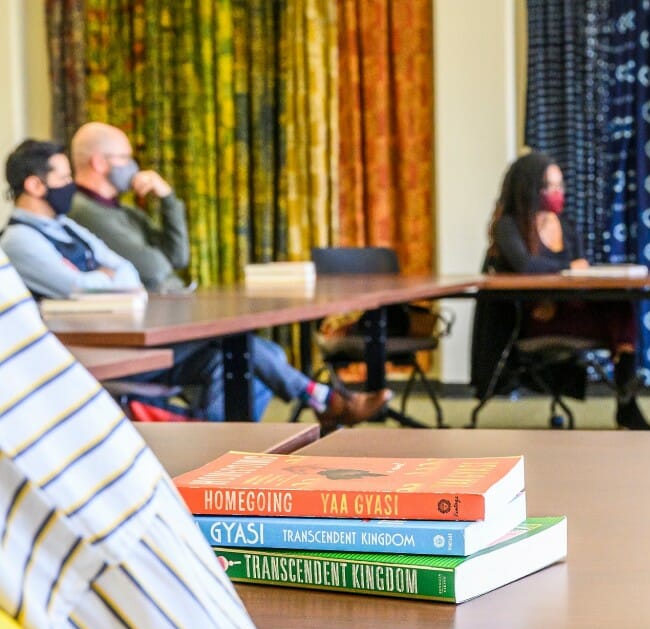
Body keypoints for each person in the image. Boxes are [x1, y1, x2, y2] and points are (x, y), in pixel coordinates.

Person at [0, 244, 283, 629]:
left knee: (252, 355)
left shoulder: (73, 226)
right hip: (107, 352)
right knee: (242, 359)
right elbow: (122, 274)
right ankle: (321, 399)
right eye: (58, 172)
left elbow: (145, 266)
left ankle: (319, 399)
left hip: (113, 360)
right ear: (36, 184)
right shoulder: (33, 232)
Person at [2, 138, 389, 431]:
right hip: (99, 350)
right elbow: (78, 287)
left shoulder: (64, 226)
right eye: (63, 177)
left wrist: (106, 278)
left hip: (126, 330)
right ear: (35, 185)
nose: (69, 185)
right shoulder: (19, 240)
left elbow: (127, 273)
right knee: (243, 351)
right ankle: (314, 405)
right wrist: (101, 279)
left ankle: (217, 446)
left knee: (244, 354)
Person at [484, 151, 650, 430]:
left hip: (567, 308)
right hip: (536, 317)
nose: (557, 193)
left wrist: (568, 275)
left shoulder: (565, 226)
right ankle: (627, 397)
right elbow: (527, 266)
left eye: (560, 187)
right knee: (619, 317)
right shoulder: (509, 226)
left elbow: (581, 272)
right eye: (549, 187)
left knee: (621, 304)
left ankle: (626, 395)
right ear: (530, 188)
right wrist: (566, 270)